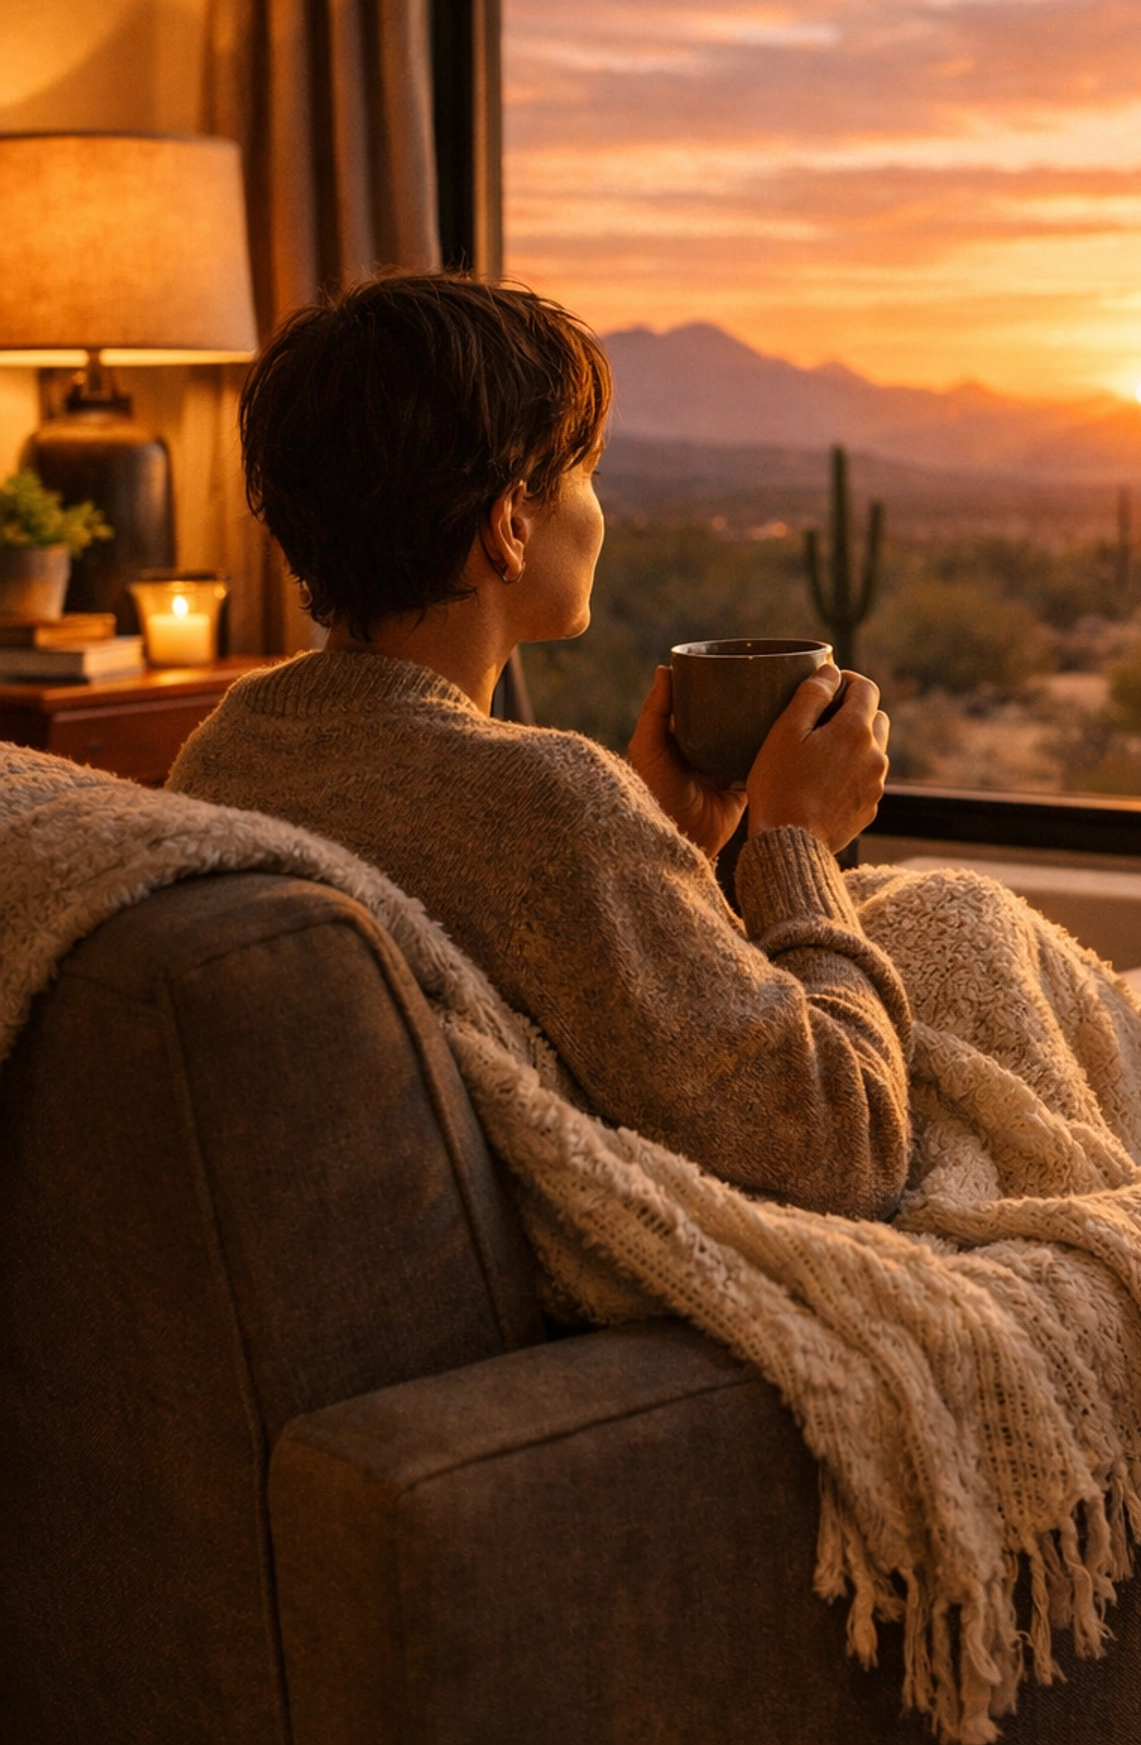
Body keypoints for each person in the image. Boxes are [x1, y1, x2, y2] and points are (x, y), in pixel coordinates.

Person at [168, 271, 911, 1219]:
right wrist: (796, 844)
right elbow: (848, 1149)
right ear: (509, 526)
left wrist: (668, 851)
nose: (601, 510)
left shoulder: (225, 749)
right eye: (587, 473)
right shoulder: (547, 806)